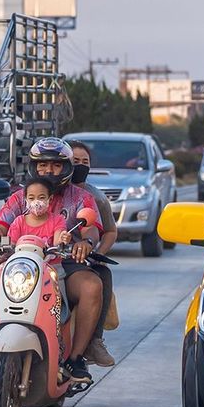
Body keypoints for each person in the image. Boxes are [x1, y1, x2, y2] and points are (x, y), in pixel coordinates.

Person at [0, 138, 103, 384]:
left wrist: (85, 243)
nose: (48, 170)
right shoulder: (20, 197)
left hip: (63, 263)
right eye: (42, 165)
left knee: (92, 287)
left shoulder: (81, 197)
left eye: (55, 165)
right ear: (33, 167)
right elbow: (0, 224)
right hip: (20, 262)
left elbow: (91, 230)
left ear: (67, 167)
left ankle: (77, 358)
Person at [65, 139, 118, 367]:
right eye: (74, 161)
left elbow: (109, 231)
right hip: (45, 258)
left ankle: (93, 341)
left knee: (101, 276)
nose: (80, 166)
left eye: (84, 162)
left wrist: (95, 253)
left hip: (79, 260)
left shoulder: (93, 197)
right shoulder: (41, 193)